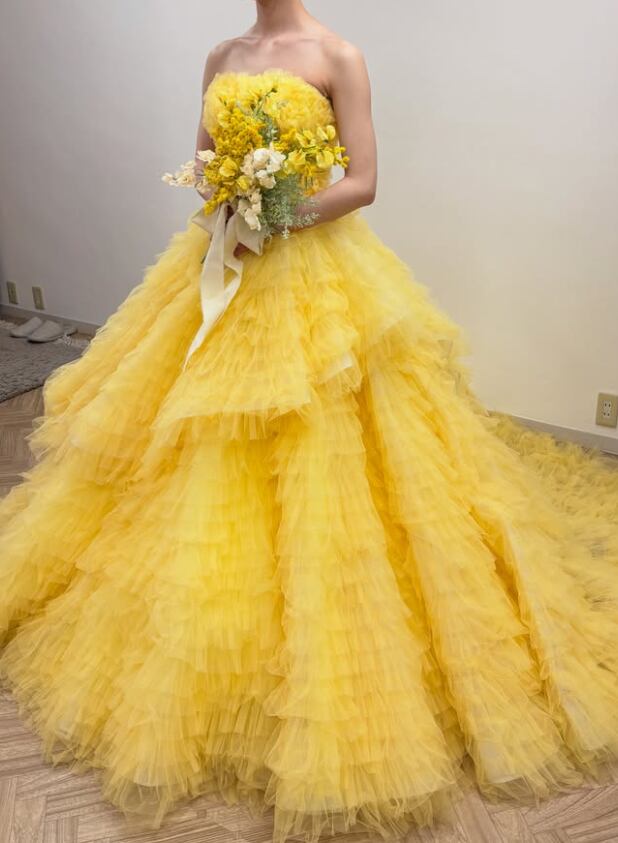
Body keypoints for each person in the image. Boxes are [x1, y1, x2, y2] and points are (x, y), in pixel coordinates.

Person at [1, 2, 617, 842]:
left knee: (333, 447)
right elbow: (203, 159)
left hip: (315, 277)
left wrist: (275, 213)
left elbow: (362, 181)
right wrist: (228, 199)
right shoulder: (222, 53)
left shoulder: (338, 56)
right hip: (225, 262)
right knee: (196, 437)